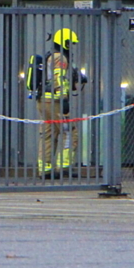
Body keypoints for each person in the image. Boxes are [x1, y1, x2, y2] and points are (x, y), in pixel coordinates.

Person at [38, 27, 86, 178]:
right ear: (63, 42)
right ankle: (64, 167)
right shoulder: (60, 58)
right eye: (69, 43)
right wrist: (63, 98)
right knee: (70, 132)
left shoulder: (50, 56)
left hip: (43, 100)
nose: (70, 46)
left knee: (48, 133)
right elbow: (58, 79)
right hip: (56, 101)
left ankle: (45, 169)